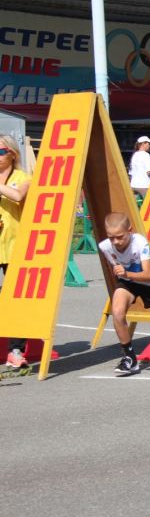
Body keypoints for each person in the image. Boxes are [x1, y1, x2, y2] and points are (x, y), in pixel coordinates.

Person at [99, 213, 150, 376]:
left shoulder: (140, 243)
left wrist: (126, 273)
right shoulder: (105, 247)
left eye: (120, 237)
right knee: (117, 313)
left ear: (130, 231)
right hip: (128, 282)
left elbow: (148, 275)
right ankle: (130, 358)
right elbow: (114, 269)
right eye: (111, 238)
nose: (116, 242)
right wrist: (120, 282)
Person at [0, 135, 31, 372]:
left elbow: (19, 196)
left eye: (1, 151)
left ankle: (16, 350)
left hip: (15, 246)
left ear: (12, 154)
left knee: (16, 299)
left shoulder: (23, 177)